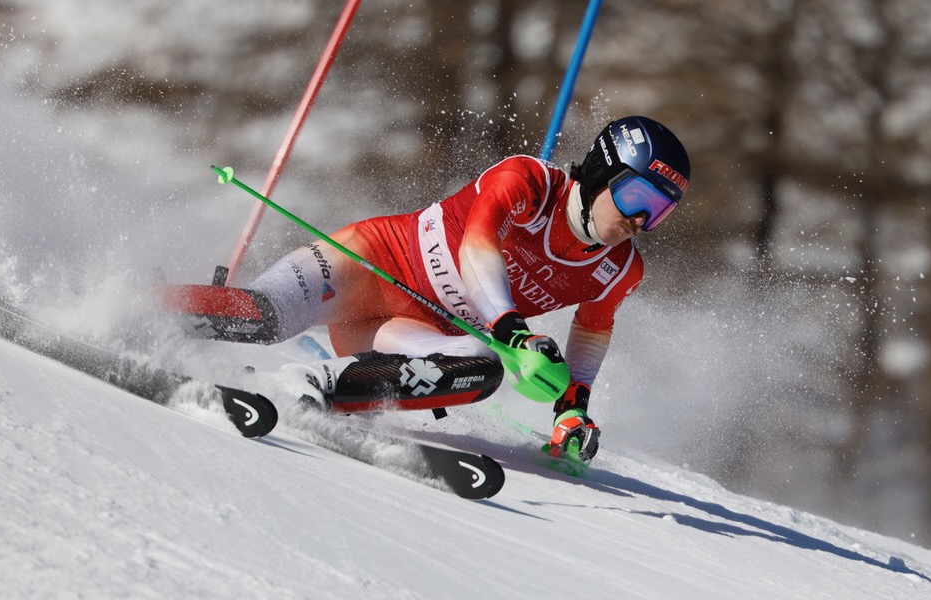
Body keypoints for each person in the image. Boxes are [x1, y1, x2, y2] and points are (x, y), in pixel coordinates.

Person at [159, 115, 691, 462]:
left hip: (405, 331)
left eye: (660, 211)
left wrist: (571, 409)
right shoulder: (528, 181)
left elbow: (591, 334)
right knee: (264, 316)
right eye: (638, 196)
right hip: (370, 264)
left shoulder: (621, 269)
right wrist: (514, 329)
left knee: (480, 368)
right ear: (602, 172)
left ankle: (310, 381)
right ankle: (138, 308)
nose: (641, 220)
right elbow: (476, 246)